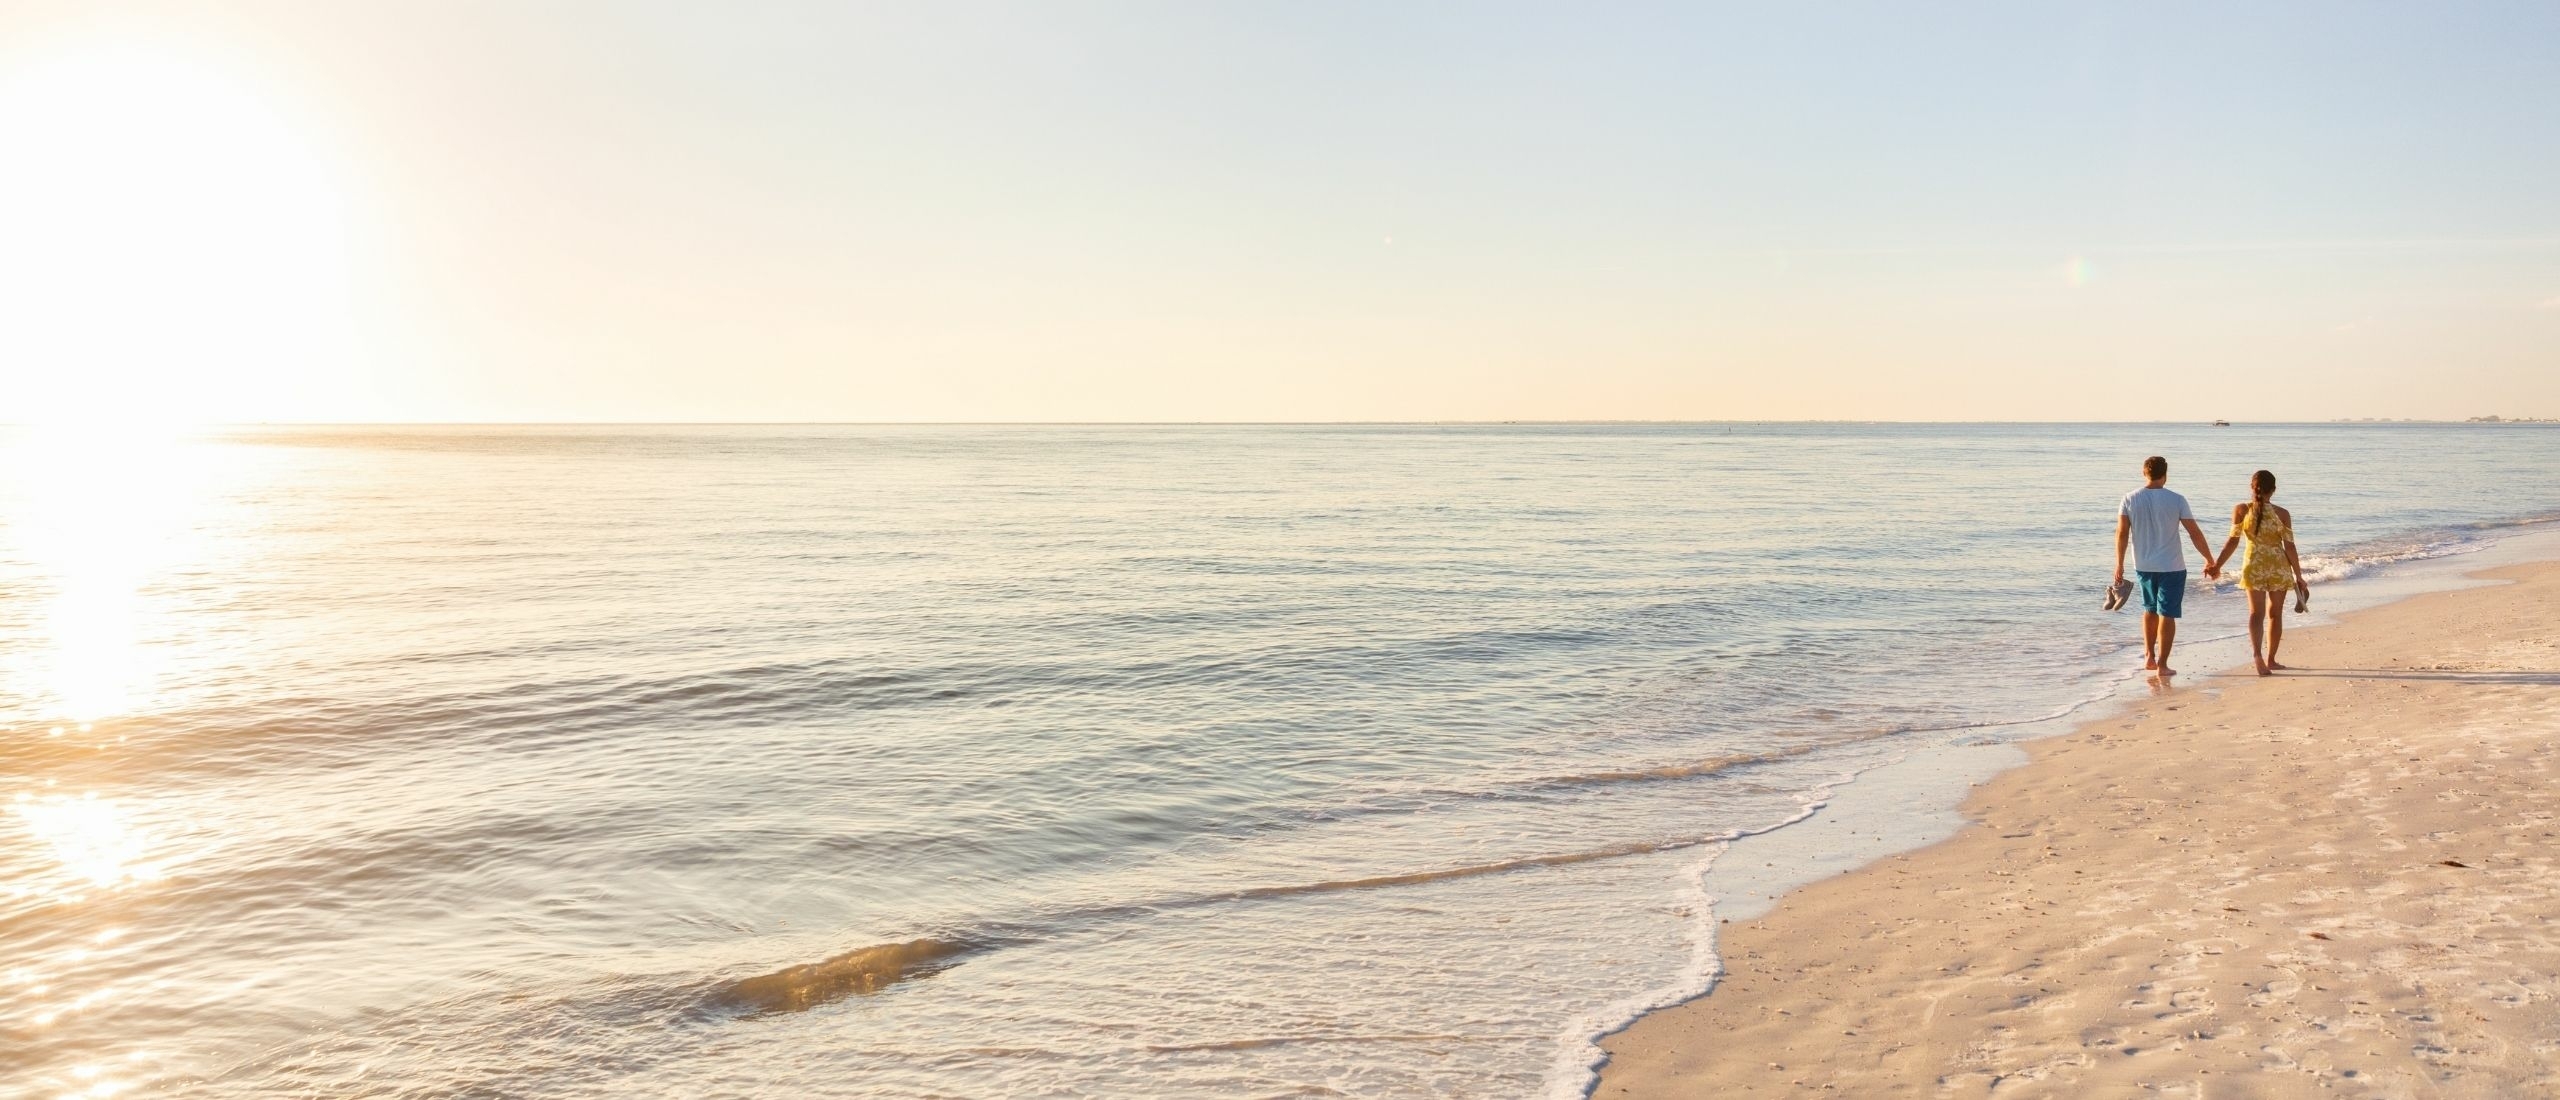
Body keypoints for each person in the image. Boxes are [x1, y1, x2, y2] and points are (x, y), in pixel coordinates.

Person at [2112, 456, 2219, 678]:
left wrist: (2119, 564)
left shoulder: (2129, 498)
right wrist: (2209, 559)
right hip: (2172, 565)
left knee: (2149, 610)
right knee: (2167, 614)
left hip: (2143, 564)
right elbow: (2194, 532)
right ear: (2165, 474)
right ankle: (2163, 664)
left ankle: (2149, 656)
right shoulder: (2177, 499)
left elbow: (2122, 533)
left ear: (2144, 472)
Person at [2210, 469, 2310, 676]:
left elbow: (2233, 541)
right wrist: (2299, 576)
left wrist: (2217, 565)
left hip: (2252, 565)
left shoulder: (2241, 510)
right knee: (2275, 614)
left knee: (2256, 613)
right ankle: (2271, 659)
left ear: (2252, 487)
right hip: (2278, 566)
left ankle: (2257, 655)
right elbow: (2290, 547)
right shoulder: (2282, 514)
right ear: (2273, 490)